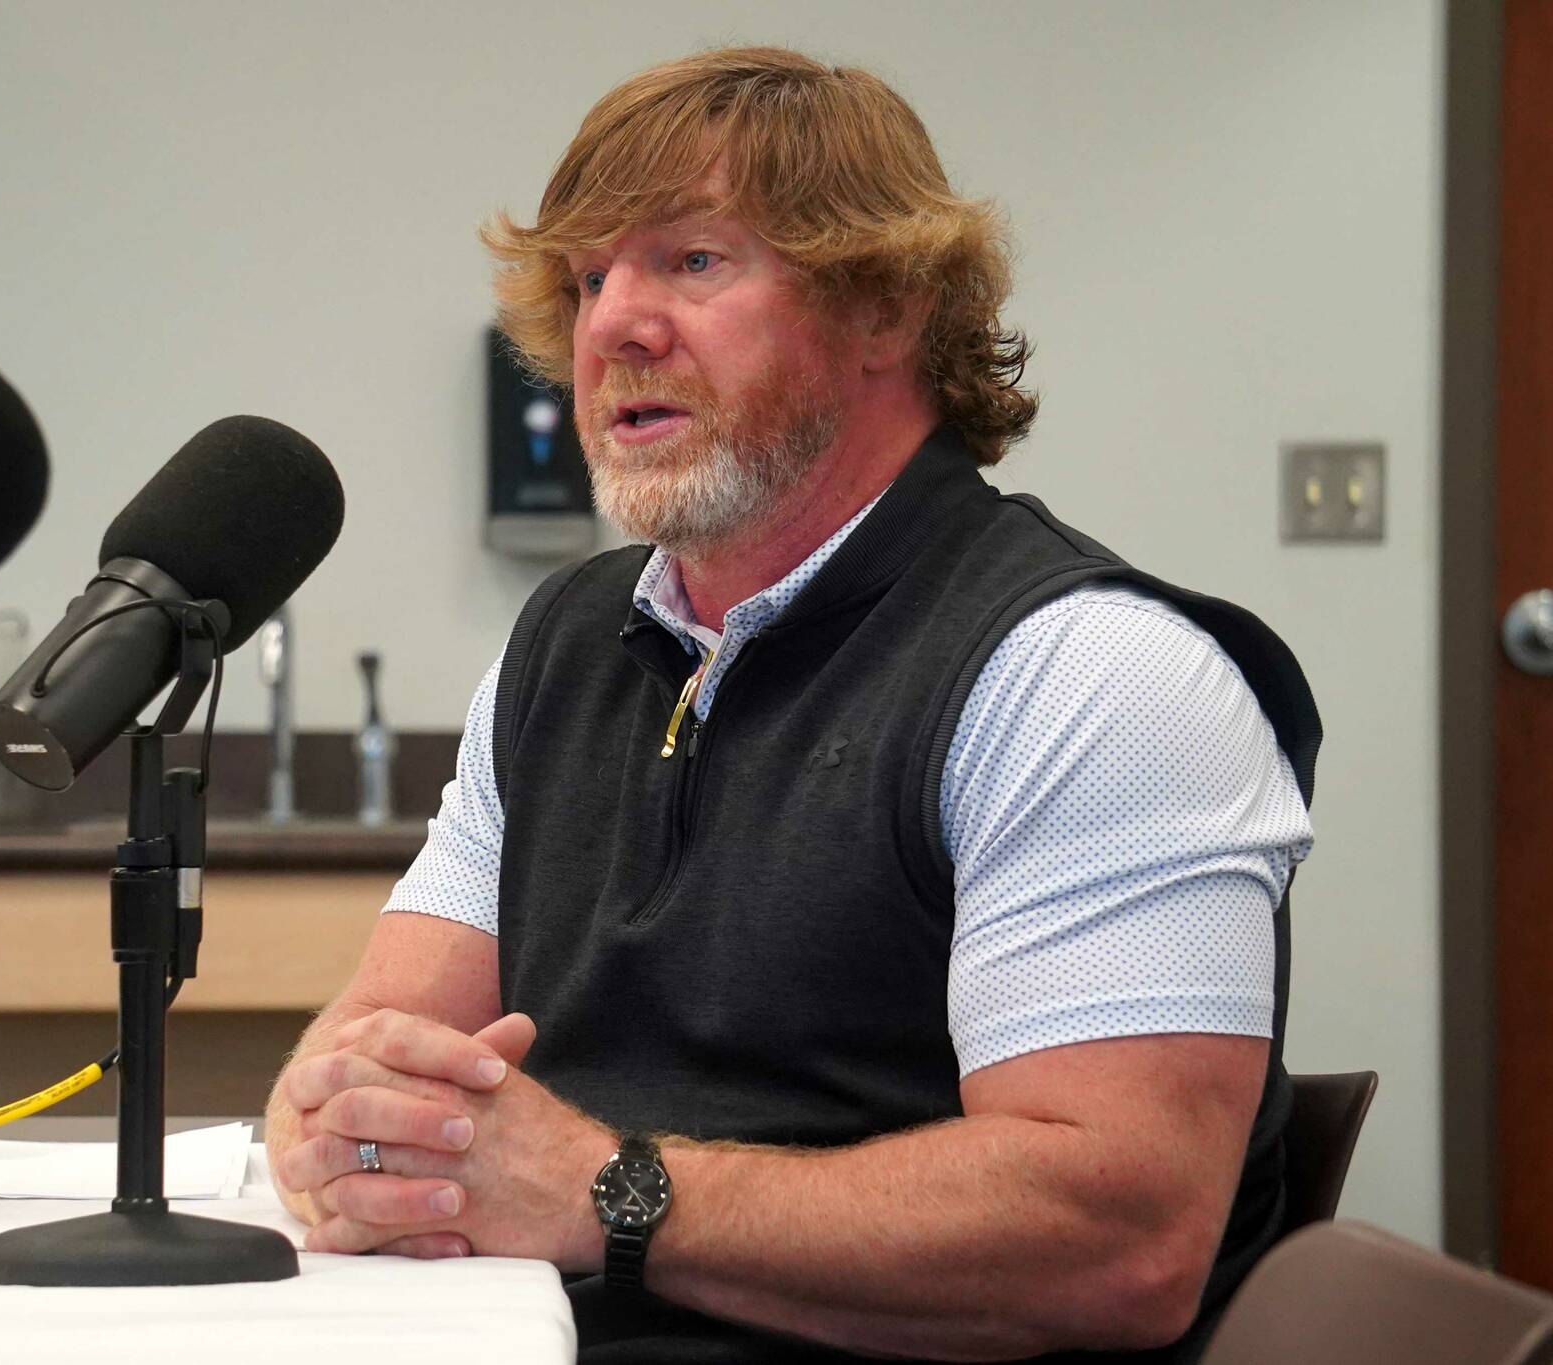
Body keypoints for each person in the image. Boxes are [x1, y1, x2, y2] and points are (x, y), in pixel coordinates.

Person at [266, 46, 1319, 1364]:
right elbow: (382, 1049)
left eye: (693, 262)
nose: (613, 326)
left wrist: (609, 1191)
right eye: (592, 278)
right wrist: (332, 1123)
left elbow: (1122, 1237)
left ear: (887, 307)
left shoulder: (1089, 672)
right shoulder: (564, 646)